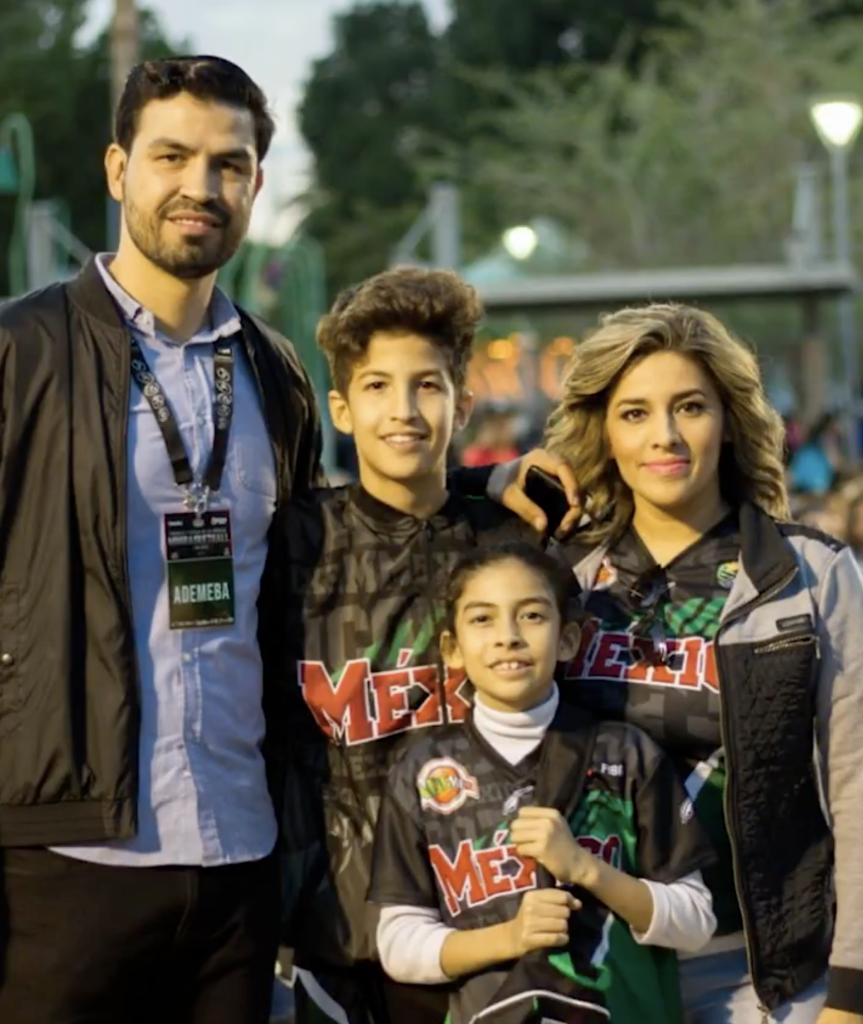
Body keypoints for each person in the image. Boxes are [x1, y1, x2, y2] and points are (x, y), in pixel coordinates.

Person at [0, 56, 325, 1024]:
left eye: (228, 163)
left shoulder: (275, 373)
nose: (200, 185)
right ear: (117, 169)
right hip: (63, 856)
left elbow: (330, 548)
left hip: (238, 852)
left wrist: (484, 489)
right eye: (171, 156)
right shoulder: (23, 351)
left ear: (256, 183)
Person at [544, 303, 863, 1024]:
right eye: (633, 413)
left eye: (688, 407)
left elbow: (857, 782)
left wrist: (851, 990)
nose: (663, 435)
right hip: (594, 964)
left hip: (764, 975)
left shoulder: (809, 575)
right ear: (604, 432)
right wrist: (493, 483)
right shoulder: (558, 578)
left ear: (727, 419)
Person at [276, 268, 546, 1024]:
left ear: (462, 403)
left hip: (492, 929)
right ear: (342, 407)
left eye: (427, 387)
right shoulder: (290, 545)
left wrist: (485, 484)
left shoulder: (513, 543)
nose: (402, 410)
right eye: (376, 387)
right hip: (336, 933)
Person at [369, 543, 717, 1024]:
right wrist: (508, 938)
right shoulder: (422, 770)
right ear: (452, 648)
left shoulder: (625, 753)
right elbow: (398, 944)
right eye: (482, 619)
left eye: (531, 615)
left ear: (568, 639)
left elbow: (696, 920)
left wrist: (586, 868)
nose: (508, 637)